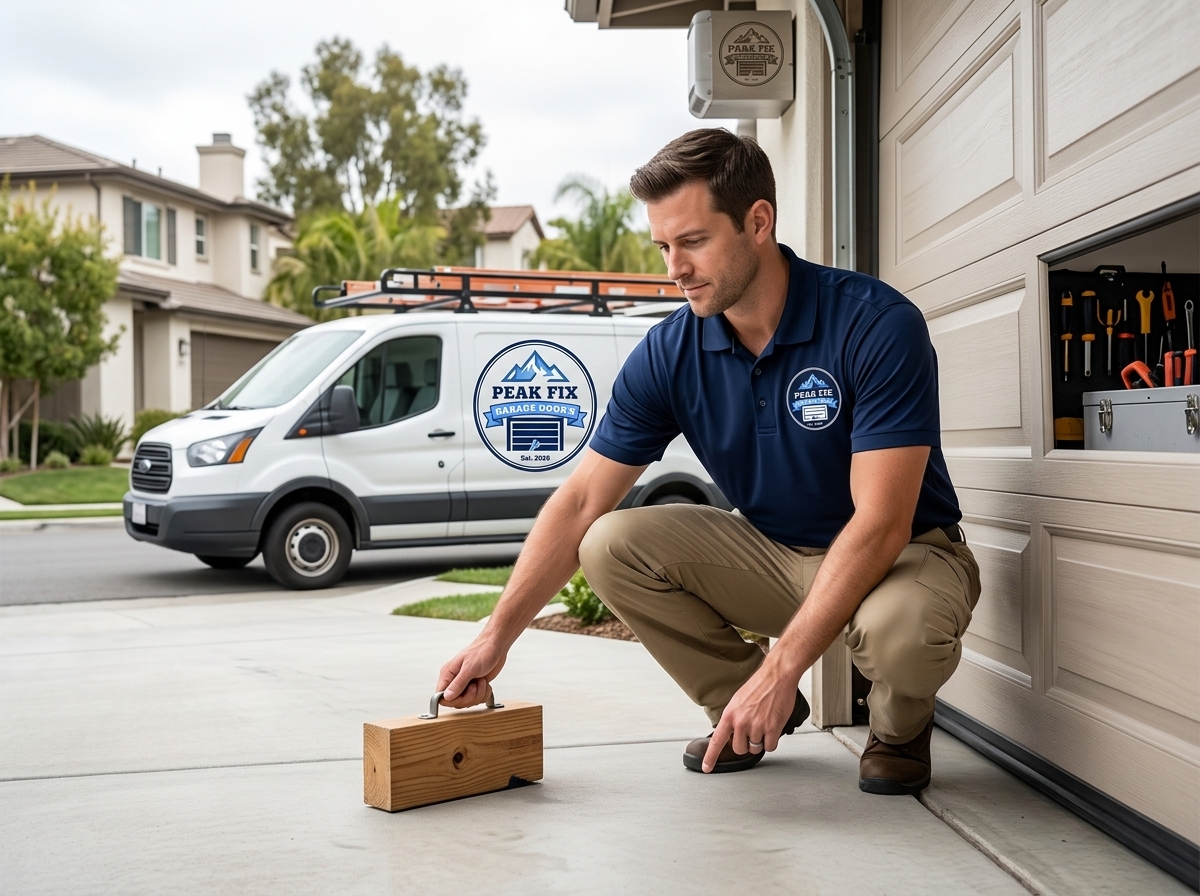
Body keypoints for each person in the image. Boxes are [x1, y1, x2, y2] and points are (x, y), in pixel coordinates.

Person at [437, 128, 980, 795]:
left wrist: (780, 668)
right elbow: (581, 502)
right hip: (777, 553)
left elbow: (882, 522)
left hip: (905, 556)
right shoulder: (670, 354)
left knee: (902, 634)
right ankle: (741, 711)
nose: (675, 268)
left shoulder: (874, 324)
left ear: (758, 222)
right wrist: (497, 635)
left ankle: (899, 731)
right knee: (608, 541)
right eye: (663, 246)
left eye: (692, 242)